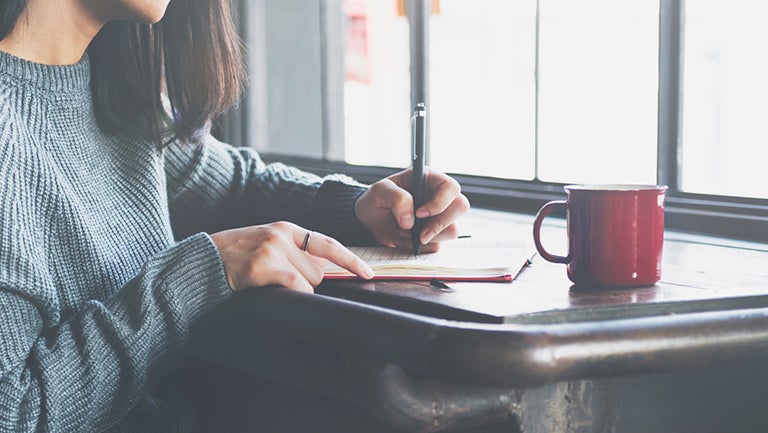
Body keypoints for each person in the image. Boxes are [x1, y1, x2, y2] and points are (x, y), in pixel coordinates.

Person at [0, 0, 469, 431]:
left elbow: (232, 186)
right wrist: (200, 274)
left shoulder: (112, 86)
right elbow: (12, 414)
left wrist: (358, 208)